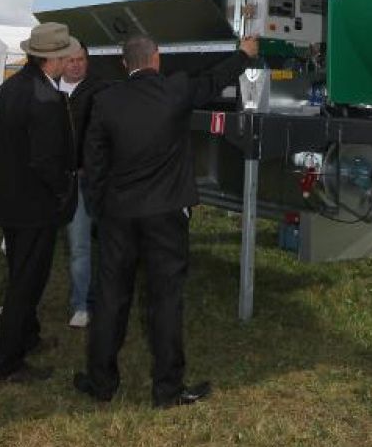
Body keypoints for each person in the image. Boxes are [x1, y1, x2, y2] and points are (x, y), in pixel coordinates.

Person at [73, 34, 259, 408]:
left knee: (111, 299)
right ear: (156, 59)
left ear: (126, 64)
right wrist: (244, 53)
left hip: (118, 215)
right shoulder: (174, 91)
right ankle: (167, 389)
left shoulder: (105, 101)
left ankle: (102, 383)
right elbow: (213, 78)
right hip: (166, 215)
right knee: (166, 299)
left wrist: (100, 208)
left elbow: (93, 165)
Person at [0, 22, 80, 383]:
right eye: (66, 54)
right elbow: (45, 160)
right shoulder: (45, 97)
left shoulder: (11, 88)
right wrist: (62, 190)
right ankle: (7, 362)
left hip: (9, 200)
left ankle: (28, 336)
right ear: (53, 59)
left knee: (22, 271)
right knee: (27, 281)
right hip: (33, 205)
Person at [60, 42, 111, 328]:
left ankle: (103, 300)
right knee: (78, 246)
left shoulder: (101, 90)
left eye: (81, 60)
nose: (76, 65)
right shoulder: (50, 90)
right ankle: (81, 304)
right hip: (64, 181)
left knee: (106, 243)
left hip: (95, 180)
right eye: (71, 60)